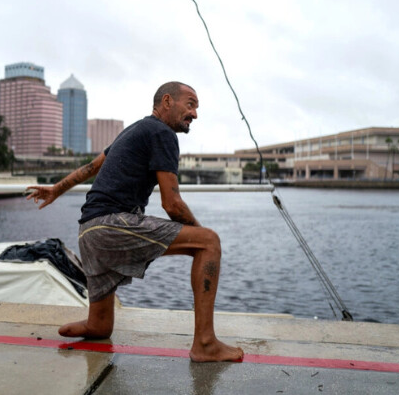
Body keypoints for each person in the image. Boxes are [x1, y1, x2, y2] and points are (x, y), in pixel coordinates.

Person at [26, 81, 244, 362]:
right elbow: (172, 203)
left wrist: (57, 189)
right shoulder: (162, 133)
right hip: (111, 225)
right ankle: (205, 343)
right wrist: (202, 239)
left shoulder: (134, 130)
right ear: (167, 101)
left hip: (88, 232)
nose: (195, 114)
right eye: (190, 104)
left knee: (101, 327)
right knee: (209, 242)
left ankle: (92, 324)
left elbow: (92, 167)